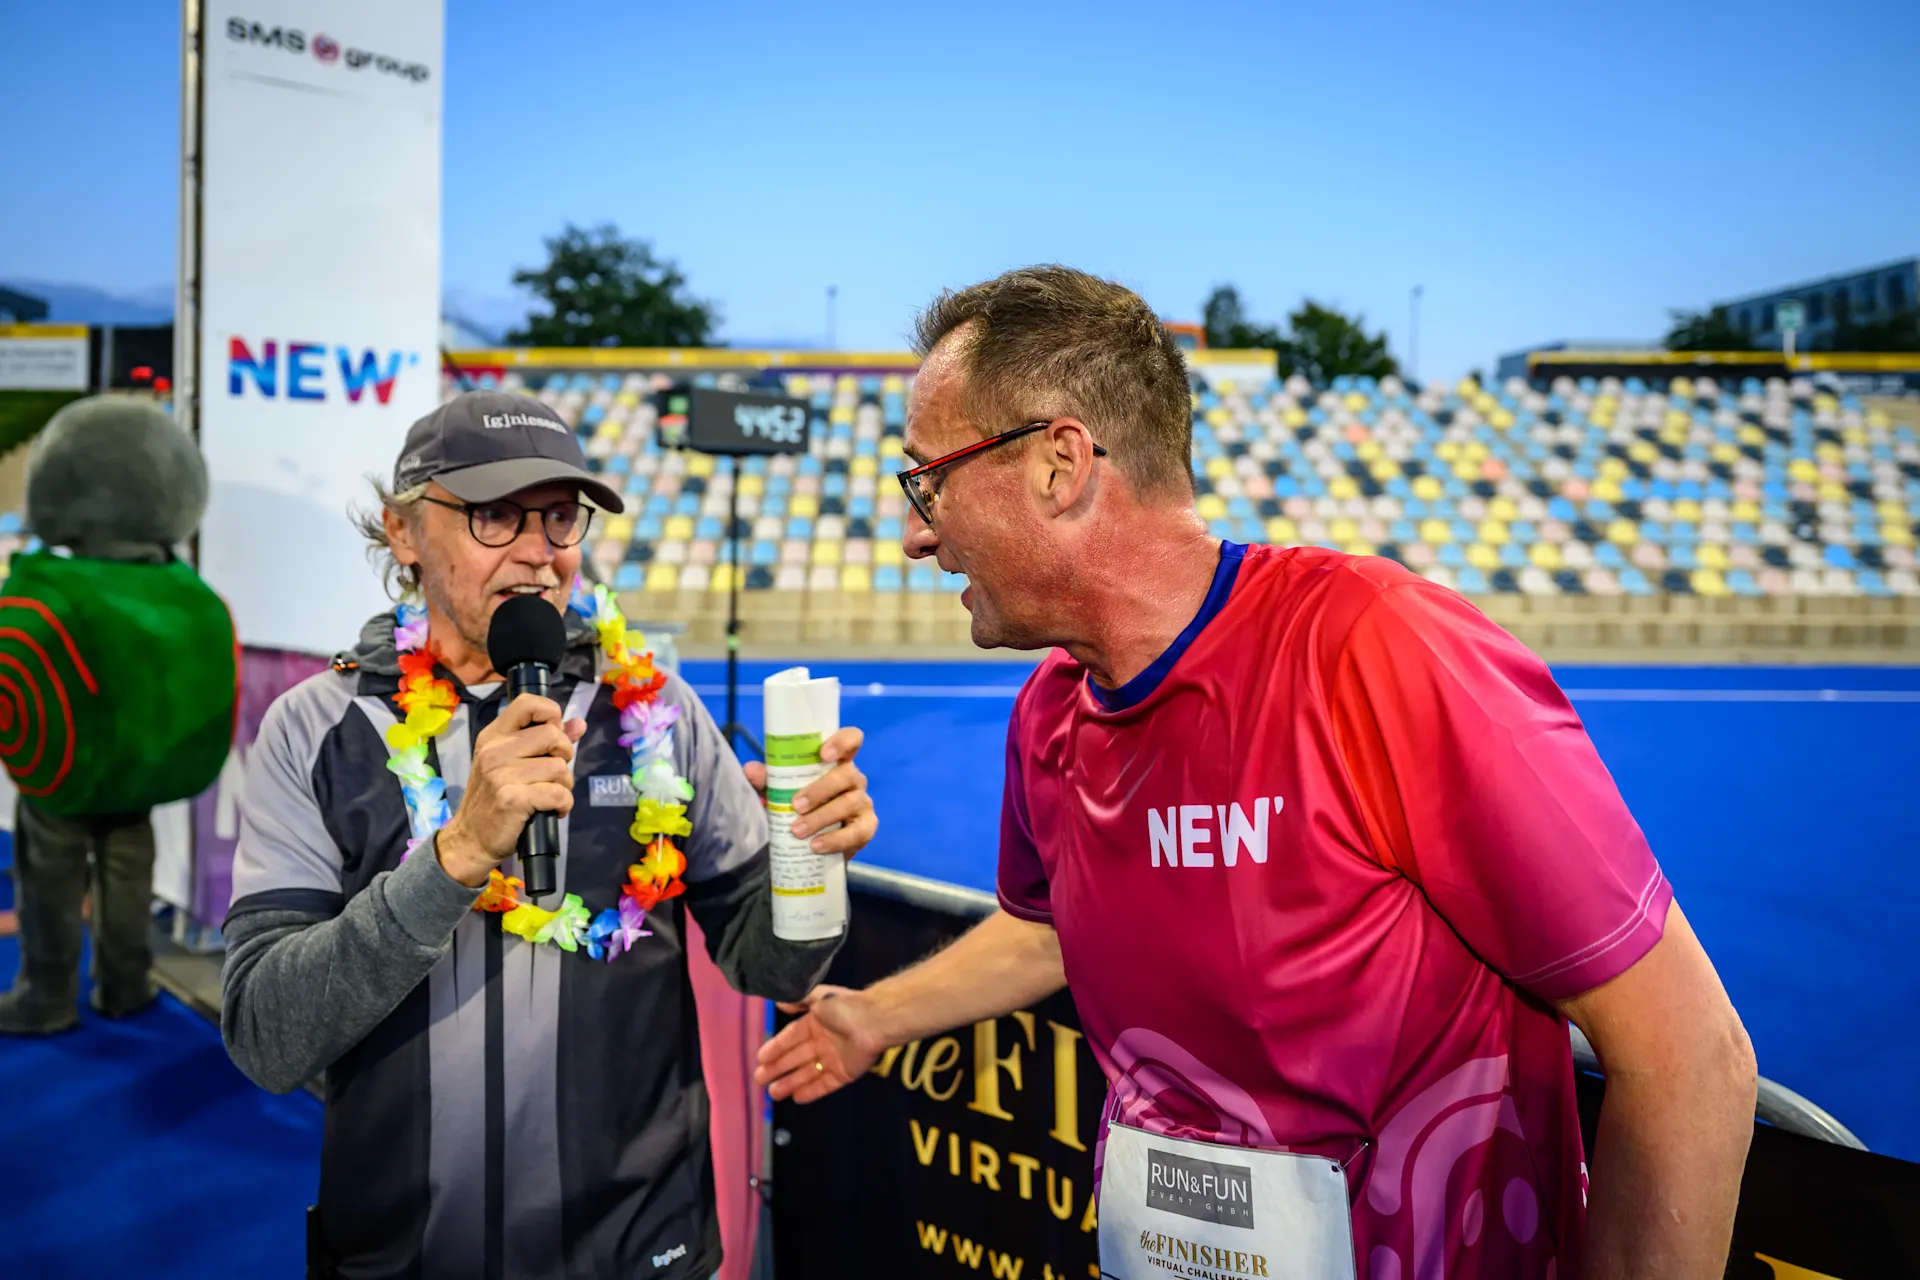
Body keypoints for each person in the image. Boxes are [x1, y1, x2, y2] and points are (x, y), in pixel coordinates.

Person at [757, 267, 1758, 1279]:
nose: (916, 531)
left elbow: (1687, 1053)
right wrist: (875, 1016)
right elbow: (1056, 926)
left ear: (1060, 464)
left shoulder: (1375, 646)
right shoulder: (1050, 711)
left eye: (929, 478)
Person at [221, 390, 877, 1279]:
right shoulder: (315, 729)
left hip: (642, 1251)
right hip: (405, 1257)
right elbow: (267, 1036)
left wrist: (812, 860)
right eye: (494, 515)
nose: (539, 552)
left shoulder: (656, 713)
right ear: (404, 531)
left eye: (561, 517)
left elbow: (777, 969)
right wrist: (456, 856)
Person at [0, 395, 232, 1035]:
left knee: (48, 872)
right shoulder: (187, 592)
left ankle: (47, 996)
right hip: (144, 771)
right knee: (129, 862)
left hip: (66, 770)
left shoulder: (50, 587)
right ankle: (125, 984)